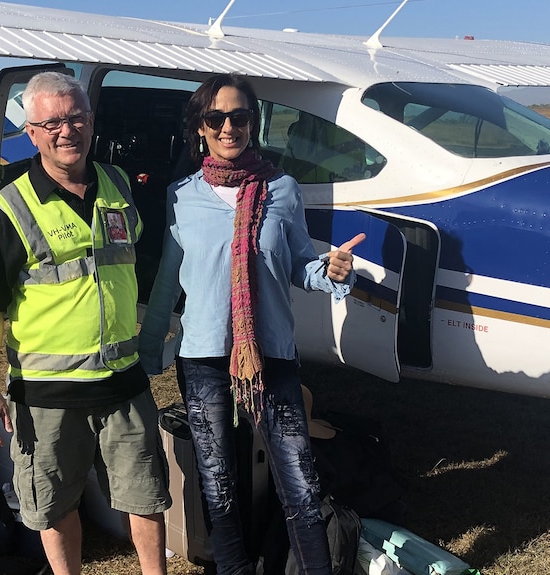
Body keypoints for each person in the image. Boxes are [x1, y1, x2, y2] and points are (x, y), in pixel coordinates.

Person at [139, 73, 365, 575]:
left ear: (252, 122)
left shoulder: (282, 189)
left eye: (239, 117)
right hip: (202, 359)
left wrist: (330, 272)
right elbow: (167, 283)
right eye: (216, 118)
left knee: (300, 486)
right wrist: (150, 348)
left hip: (272, 356)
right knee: (218, 485)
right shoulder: (182, 195)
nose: (228, 127)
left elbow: (299, 265)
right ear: (200, 126)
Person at [0, 71, 171, 575]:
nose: (67, 131)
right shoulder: (11, 207)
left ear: (91, 121)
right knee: (55, 508)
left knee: (146, 498)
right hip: (48, 392)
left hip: (123, 382)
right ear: (32, 132)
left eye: (76, 118)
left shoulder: (119, 185)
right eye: (52, 122)